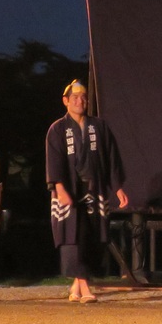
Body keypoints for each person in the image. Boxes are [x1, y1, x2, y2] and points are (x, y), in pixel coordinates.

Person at [46, 80, 128, 303]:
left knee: (91, 237)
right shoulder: (57, 129)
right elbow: (54, 162)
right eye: (75, 98)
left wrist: (117, 187)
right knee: (74, 238)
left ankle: (76, 287)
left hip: (95, 188)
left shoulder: (99, 127)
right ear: (66, 101)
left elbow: (111, 158)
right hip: (69, 190)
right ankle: (85, 287)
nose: (80, 102)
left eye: (83, 98)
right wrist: (60, 188)